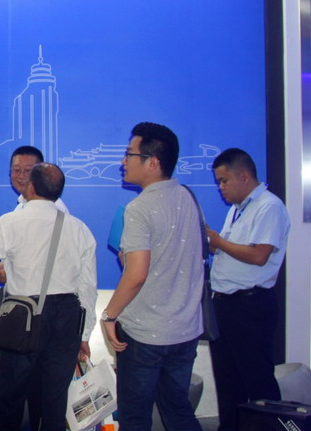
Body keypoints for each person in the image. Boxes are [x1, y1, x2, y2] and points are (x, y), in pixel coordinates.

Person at [0, 163, 97, 431]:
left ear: (31, 187)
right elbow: (87, 288)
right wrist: (83, 334)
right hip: (67, 318)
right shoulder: (80, 228)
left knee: (9, 398)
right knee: (54, 402)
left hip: (23, 315)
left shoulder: (10, 222)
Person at [100, 122, 203, 431]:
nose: (123, 161)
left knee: (134, 418)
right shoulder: (187, 197)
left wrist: (109, 316)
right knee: (178, 411)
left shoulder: (138, 208)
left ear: (152, 162)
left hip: (145, 334)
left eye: (129, 154)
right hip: (185, 330)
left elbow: (136, 275)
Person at [206, 148, 290, 431]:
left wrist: (219, 241)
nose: (221, 187)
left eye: (224, 181)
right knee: (228, 382)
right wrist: (211, 242)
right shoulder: (237, 209)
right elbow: (230, 251)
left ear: (243, 176)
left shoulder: (269, 206)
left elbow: (259, 255)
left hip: (250, 305)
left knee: (258, 381)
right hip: (225, 305)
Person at [0, 146, 71, 430]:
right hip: (29, 312)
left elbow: (53, 267)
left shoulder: (56, 212)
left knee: (19, 393)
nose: (21, 176)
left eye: (28, 171)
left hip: (40, 313)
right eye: (16, 170)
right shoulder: (21, 208)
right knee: (29, 391)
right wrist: (7, 267)